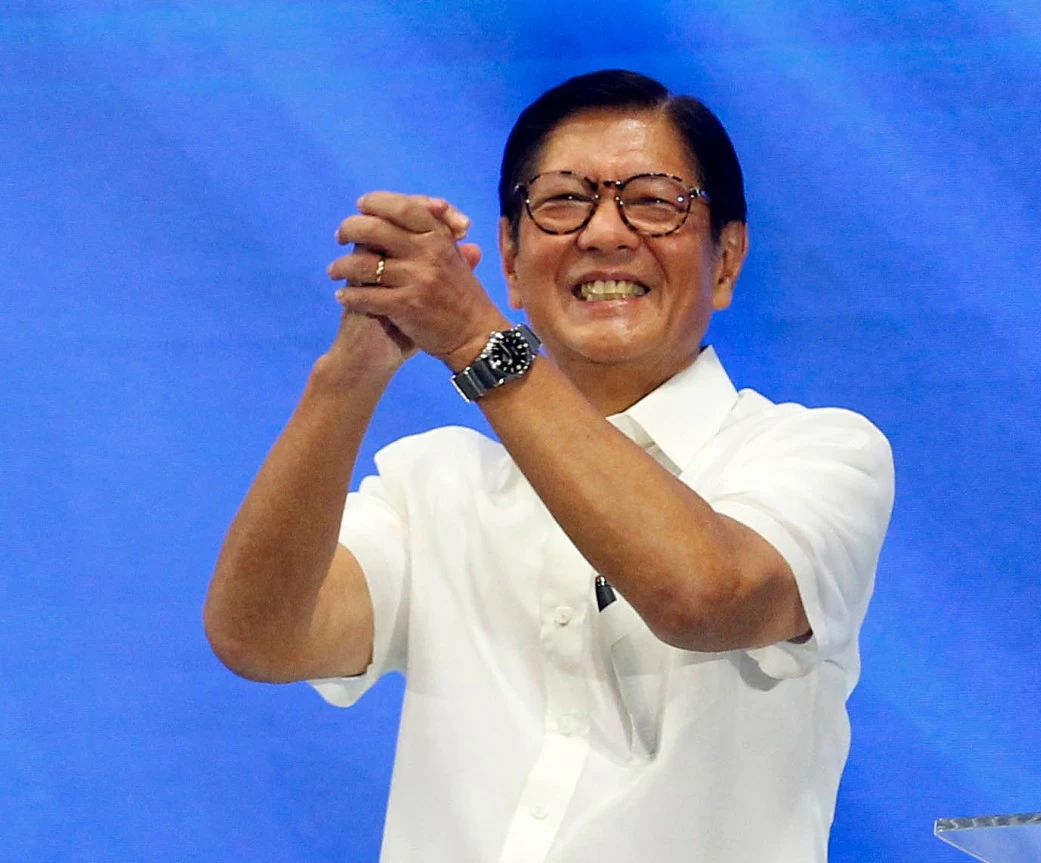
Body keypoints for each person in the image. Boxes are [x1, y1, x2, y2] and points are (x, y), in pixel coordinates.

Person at [204, 69, 894, 863]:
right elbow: (260, 637)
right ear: (508, 256)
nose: (604, 233)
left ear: (728, 260)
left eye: (654, 199)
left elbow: (703, 596)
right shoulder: (435, 484)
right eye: (563, 200)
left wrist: (476, 343)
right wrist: (350, 373)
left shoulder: (819, 454)